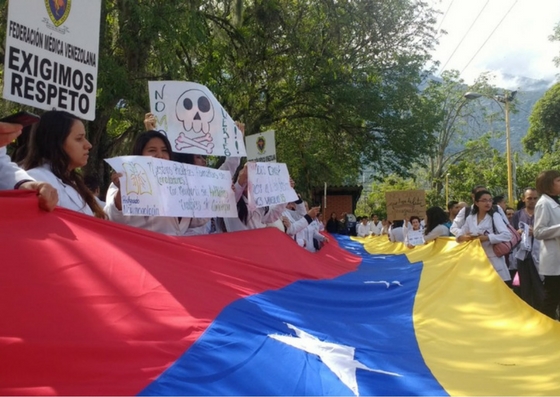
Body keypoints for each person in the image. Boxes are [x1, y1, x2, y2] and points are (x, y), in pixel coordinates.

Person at [105, 130, 208, 235]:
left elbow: (197, 220)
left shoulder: (180, 185)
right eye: (152, 150)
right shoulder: (122, 182)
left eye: (164, 150)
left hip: (173, 250)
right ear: (139, 154)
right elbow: (112, 217)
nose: (160, 155)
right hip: (142, 249)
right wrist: (123, 191)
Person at [22, 111, 103, 217]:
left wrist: (118, 202)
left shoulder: (73, 182)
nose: (88, 145)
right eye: (79, 138)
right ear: (55, 143)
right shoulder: (37, 178)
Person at [455, 190, 512, 283]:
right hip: (476, 262)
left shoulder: (495, 216)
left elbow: (507, 235)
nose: (488, 203)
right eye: (484, 200)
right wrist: (464, 237)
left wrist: (487, 238)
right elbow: (459, 236)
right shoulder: (470, 218)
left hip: (494, 260)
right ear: (476, 203)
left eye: (490, 200)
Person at [0, 121, 58, 211]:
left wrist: (24, 184)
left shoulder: (75, 182)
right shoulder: (38, 173)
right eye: (78, 138)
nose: (88, 145)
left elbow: (1, 164)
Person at [511, 187, 543, 311]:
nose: (532, 201)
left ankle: (543, 312)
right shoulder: (517, 215)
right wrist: (519, 232)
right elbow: (511, 235)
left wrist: (535, 232)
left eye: (535, 198)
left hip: (541, 256)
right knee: (525, 286)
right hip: (523, 256)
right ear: (524, 199)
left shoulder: (542, 213)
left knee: (540, 287)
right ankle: (527, 311)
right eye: (529, 198)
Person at [533, 170, 560, 319]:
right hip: (553, 261)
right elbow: (538, 232)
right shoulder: (543, 203)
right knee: (551, 300)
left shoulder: (555, 201)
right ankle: (544, 330)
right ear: (548, 184)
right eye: (558, 181)